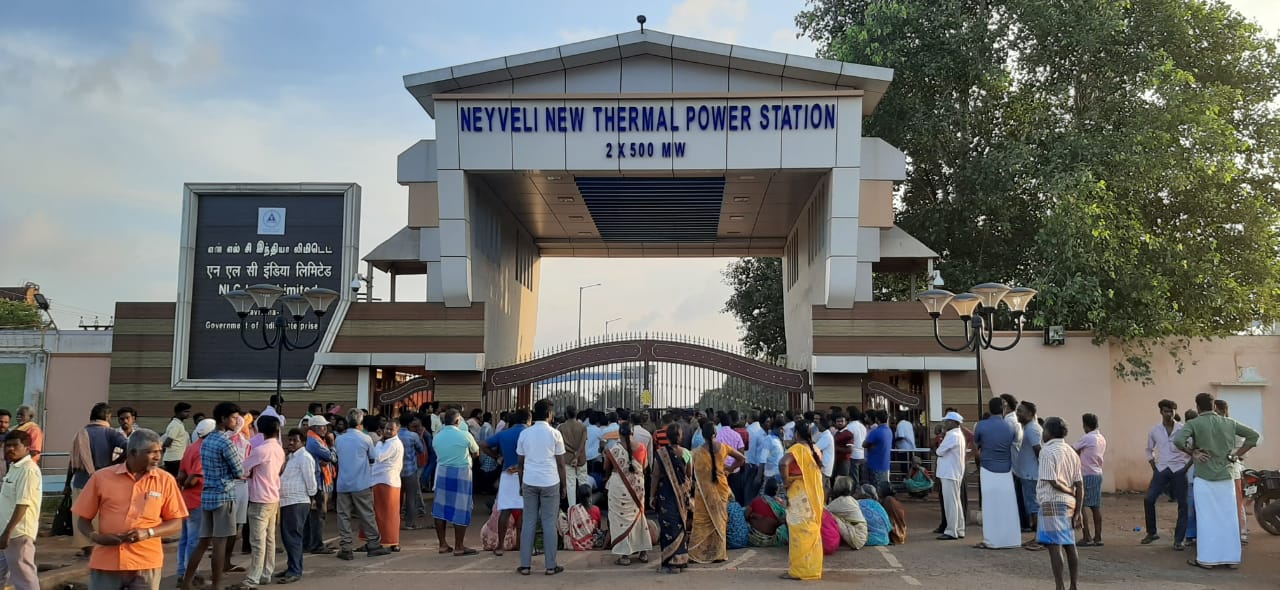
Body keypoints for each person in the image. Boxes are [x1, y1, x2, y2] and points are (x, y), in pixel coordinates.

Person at [75, 428, 187, 590]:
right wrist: (96, 537)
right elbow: (83, 519)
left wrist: (148, 533)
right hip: (107, 561)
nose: (158, 457)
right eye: (151, 452)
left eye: (160, 451)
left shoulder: (166, 480)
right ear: (133, 453)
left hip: (146, 562)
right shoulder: (101, 478)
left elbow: (176, 522)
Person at [1174, 393, 1259, 570]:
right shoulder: (1229, 423)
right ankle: (1231, 559)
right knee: (1228, 518)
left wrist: (1193, 453)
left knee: (1206, 519)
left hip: (1204, 478)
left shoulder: (1194, 423)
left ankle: (1207, 559)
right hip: (1226, 476)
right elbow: (1253, 436)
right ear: (1214, 406)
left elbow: (1178, 440)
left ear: (1197, 407)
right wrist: (1235, 455)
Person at [181, 403, 245, 590]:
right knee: (220, 543)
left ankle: (186, 581)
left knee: (202, 542)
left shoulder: (207, 440)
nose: (236, 421)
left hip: (207, 495)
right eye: (233, 417)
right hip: (224, 495)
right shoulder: (226, 442)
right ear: (224, 419)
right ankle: (216, 585)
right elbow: (239, 471)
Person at [68, 402, 129, 557]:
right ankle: (100, 546)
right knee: (100, 515)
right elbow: (129, 447)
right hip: (104, 480)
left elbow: (72, 462)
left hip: (81, 481)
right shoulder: (110, 433)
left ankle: (87, 548)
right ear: (108, 416)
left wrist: (66, 484)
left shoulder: (79, 434)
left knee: (82, 515)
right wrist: (115, 464)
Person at [515, 400, 567, 576]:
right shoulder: (555, 434)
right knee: (549, 523)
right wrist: (564, 486)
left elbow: (520, 463)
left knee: (529, 522)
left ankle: (525, 565)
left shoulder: (525, 434)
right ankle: (551, 566)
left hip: (529, 480)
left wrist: (521, 483)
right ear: (549, 414)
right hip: (550, 482)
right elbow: (561, 464)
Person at [334, 410, 390, 560]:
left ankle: (346, 547)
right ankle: (373, 544)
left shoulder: (339, 439)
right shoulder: (365, 439)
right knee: (367, 514)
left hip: (343, 483)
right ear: (360, 423)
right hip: (361, 482)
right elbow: (372, 458)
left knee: (343, 516)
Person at [1035, 417, 1084, 590]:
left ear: (1048, 432)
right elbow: (1080, 484)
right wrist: (1078, 511)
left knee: (1054, 546)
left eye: (1044, 430)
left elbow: (1053, 481)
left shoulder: (1047, 452)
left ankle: (1059, 586)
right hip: (1069, 505)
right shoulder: (1071, 451)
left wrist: (1068, 490)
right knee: (1070, 545)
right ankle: (1074, 585)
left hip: (1052, 502)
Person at [688, 421, 745, 564]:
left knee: (701, 521)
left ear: (702, 434)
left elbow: (688, 472)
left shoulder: (696, 453)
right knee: (719, 520)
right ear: (715, 433)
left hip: (703, 493)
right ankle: (719, 553)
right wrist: (729, 470)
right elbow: (742, 458)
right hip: (721, 488)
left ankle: (697, 553)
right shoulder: (724, 448)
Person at [778, 421, 825, 581]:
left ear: (797, 434)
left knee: (799, 531)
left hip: (799, 495)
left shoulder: (797, 448)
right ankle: (811, 569)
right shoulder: (816, 449)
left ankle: (798, 571)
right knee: (811, 529)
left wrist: (785, 481)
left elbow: (783, 463)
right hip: (814, 495)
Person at [972, 398, 1021, 549]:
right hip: (1006, 469)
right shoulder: (1011, 426)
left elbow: (976, 442)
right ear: (1004, 409)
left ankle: (991, 539)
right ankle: (1011, 539)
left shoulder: (981, 425)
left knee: (990, 505)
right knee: (1008, 506)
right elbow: (1015, 441)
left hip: (987, 468)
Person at [241, 415, 284, 587]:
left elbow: (243, 469)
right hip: (273, 496)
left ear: (260, 430)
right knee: (269, 538)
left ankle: (253, 577)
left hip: (260, 497)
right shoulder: (278, 448)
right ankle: (266, 572)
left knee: (258, 541)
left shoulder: (260, 450)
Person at [1142, 399, 1190, 549]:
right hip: (1162, 469)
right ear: (1161, 412)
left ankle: (1179, 540)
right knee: (1149, 499)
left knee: (1183, 504)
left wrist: (1186, 467)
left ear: (1175, 412)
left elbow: (1191, 448)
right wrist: (1153, 466)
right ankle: (1152, 532)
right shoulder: (1155, 430)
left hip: (1179, 469)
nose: (1168, 414)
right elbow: (1149, 449)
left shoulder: (1182, 429)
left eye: (1171, 411)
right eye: (1165, 411)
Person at [432, 408, 480, 556]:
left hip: (442, 472)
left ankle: (442, 544)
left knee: (440, 509)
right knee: (461, 508)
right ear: (458, 421)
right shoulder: (465, 435)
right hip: (462, 473)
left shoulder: (437, 437)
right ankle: (459, 545)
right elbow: (476, 452)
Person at [605, 422, 652, 566]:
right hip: (637, 486)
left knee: (620, 520)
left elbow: (606, 468)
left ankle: (625, 555)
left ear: (619, 434)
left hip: (618, 486)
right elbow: (644, 467)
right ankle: (643, 552)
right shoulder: (642, 448)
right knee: (639, 517)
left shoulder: (613, 450)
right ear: (633, 433)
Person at [482, 408, 528, 556]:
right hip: (525, 474)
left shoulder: (503, 434)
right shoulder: (528, 433)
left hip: (507, 474)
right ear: (527, 419)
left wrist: (496, 456)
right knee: (523, 510)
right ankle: (520, 544)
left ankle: (500, 545)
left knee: (505, 510)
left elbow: (483, 445)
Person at [0, 430, 41, 590]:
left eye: (14, 445)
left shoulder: (28, 470)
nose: (10, 449)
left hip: (17, 533)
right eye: (7, 445)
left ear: (27, 447)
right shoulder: (14, 467)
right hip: (6, 532)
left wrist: (7, 532)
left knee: (24, 578)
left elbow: (23, 504)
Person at [176, 419, 215, 584]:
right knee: (195, 540)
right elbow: (193, 478)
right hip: (198, 498)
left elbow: (181, 474)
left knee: (185, 539)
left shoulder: (192, 447)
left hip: (187, 499)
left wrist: (184, 485)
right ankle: (191, 575)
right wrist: (188, 484)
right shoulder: (203, 449)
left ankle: (182, 571)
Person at [651, 423, 692, 573]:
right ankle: (680, 561)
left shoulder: (661, 453)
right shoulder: (687, 453)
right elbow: (689, 476)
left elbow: (655, 475)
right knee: (680, 526)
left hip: (666, 495)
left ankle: (670, 563)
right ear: (681, 437)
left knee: (668, 526)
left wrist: (651, 495)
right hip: (681, 496)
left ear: (667, 437)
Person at [277, 429, 315, 584]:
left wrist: (312, 497)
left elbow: (311, 482)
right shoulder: (291, 457)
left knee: (293, 537)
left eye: (295, 440)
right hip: (287, 501)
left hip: (297, 501)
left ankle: (295, 570)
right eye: (290, 440)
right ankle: (291, 567)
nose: (291, 443)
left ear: (303, 442)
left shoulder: (305, 457)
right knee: (288, 538)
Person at [1213, 399, 1250, 544]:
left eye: (1216, 412)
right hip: (1219, 471)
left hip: (1233, 470)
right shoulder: (1217, 428)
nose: (1214, 415)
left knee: (1237, 502)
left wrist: (1233, 455)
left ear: (1223, 411)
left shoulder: (1232, 426)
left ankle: (1242, 533)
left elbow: (1248, 442)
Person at [303, 416, 336, 555]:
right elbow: (332, 457)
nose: (325, 428)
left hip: (319, 480)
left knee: (314, 515)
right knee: (318, 514)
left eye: (325, 426)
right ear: (314, 428)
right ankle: (316, 544)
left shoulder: (316, 439)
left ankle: (310, 543)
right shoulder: (314, 442)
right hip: (318, 482)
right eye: (321, 426)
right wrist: (332, 445)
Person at [1073, 413, 1107, 547]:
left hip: (1086, 474)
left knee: (1081, 506)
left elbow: (1073, 449)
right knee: (1095, 506)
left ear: (1086, 425)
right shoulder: (1101, 438)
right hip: (1098, 473)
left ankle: (1086, 536)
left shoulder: (1088, 438)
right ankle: (1098, 537)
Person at [1015, 401, 1043, 546]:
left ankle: (1040, 538)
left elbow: (1038, 451)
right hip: (1027, 474)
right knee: (1032, 506)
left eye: (1021, 411)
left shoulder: (1032, 429)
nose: (1017, 414)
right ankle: (1038, 536)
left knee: (1034, 506)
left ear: (1030, 414)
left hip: (1031, 475)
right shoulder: (1028, 428)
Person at [935, 411, 967, 541]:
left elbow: (939, 451)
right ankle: (959, 529)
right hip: (953, 473)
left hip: (949, 473)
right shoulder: (957, 434)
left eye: (947, 421)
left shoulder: (952, 435)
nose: (945, 423)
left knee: (951, 503)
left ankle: (951, 531)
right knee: (956, 502)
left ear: (954, 423)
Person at [396, 415, 426, 530]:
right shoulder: (413, 436)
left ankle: (395, 522)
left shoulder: (395, 435)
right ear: (409, 424)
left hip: (396, 470)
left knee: (396, 498)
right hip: (410, 469)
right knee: (411, 497)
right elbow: (421, 450)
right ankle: (409, 523)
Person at [557, 405, 589, 507]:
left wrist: (572, 454)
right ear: (576, 414)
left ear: (566, 414)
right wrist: (577, 455)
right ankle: (586, 507)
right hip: (581, 459)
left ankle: (572, 510)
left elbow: (561, 444)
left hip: (567, 459)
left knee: (570, 484)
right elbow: (583, 443)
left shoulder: (561, 428)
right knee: (583, 482)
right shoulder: (583, 427)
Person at [825, 476, 868, 550]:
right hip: (861, 535)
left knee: (827, 515)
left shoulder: (841, 501)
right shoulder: (851, 499)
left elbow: (824, 510)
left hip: (856, 538)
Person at [561, 483, 601, 552]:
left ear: (578, 496)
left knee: (561, 517)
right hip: (592, 539)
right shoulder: (596, 509)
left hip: (575, 539)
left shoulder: (573, 509)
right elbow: (598, 527)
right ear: (590, 496)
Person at [862, 410, 893, 488]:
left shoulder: (876, 432)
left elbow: (864, 444)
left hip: (874, 464)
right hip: (885, 464)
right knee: (883, 488)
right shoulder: (889, 431)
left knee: (874, 488)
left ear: (876, 419)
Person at [161, 403, 193, 477]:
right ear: (178, 412)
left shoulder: (179, 424)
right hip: (174, 459)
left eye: (188, 412)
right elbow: (167, 442)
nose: (188, 414)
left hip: (177, 458)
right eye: (185, 412)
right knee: (175, 481)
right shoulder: (175, 425)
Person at [846, 407, 868, 485]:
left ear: (849, 414)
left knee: (854, 478)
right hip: (862, 454)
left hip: (853, 455)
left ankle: (856, 493)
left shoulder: (849, 427)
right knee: (862, 478)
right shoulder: (862, 426)